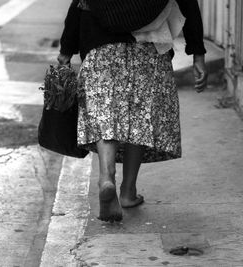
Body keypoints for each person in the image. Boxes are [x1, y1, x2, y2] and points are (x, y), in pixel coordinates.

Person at [58, 0, 208, 222]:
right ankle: (128, 192)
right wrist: (198, 53)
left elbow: (78, 5)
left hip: (101, 48)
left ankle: (106, 178)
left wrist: (66, 50)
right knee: (140, 118)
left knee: (105, 114)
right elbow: (188, 3)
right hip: (148, 49)